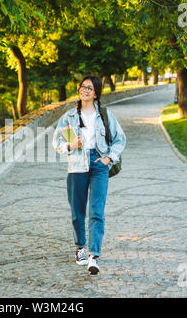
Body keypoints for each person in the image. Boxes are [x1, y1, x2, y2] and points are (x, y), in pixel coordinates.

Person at [52, 75, 126, 275]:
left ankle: (94, 256)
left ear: (96, 94)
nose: (84, 90)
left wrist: (109, 158)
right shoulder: (69, 117)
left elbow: (120, 139)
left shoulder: (104, 115)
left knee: (96, 210)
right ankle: (81, 248)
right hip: (76, 164)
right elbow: (55, 141)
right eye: (82, 86)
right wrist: (70, 145)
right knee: (77, 210)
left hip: (98, 164)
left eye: (89, 88)